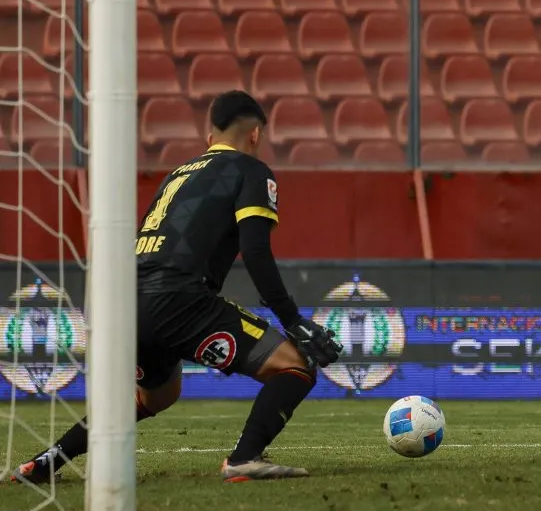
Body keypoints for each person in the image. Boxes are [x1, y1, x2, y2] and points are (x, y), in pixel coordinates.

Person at [13, 91, 341, 484]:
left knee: (156, 397)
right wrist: (293, 321)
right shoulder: (251, 170)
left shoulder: (179, 173)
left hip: (122, 302)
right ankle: (244, 458)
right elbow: (255, 251)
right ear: (255, 135)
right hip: (180, 300)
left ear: (210, 136)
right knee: (296, 366)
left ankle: (45, 463)